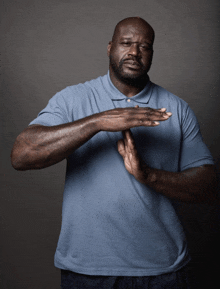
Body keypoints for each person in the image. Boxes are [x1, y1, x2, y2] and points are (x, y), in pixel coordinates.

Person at [11, 17, 218, 289]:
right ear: (110, 47)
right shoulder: (72, 99)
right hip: (87, 272)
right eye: (126, 43)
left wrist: (148, 176)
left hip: (163, 272)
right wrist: (97, 122)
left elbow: (208, 187)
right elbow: (22, 155)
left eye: (145, 46)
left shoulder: (175, 109)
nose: (134, 52)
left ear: (152, 54)